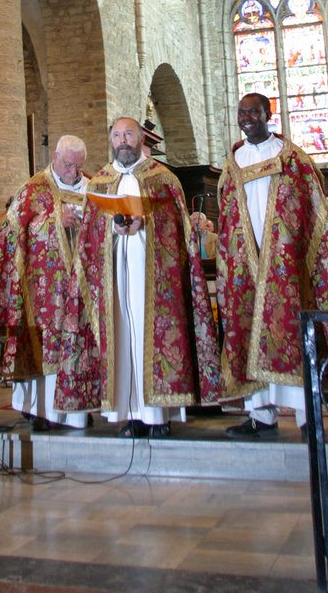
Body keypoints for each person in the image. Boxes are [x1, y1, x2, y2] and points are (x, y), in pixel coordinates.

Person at [55, 118, 220, 437]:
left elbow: (180, 232)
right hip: (115, 274)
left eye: (128, 134)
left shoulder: (163, 178)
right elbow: (90, 233)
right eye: (116, 135)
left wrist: (146, 225)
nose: (122, 141)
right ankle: (128, 414)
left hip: (155, 278)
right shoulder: (101, 180)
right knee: (122, 341)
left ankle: (159, 417)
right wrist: (112, 229)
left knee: (150, 340)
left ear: (140, 138)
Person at [217, 93, 328, 440]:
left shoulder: (293, 159)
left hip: (286, 265)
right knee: (248, 331)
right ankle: (259, 417)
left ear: (268, 114)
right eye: (241, 113)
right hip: (245, 264)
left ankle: (306, 417)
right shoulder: (233, 162)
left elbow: (313, 210)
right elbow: (226, 215)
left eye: (253, 111)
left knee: (290, 335)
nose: (246, 118)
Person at [0, 135, 91, 430]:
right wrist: (55, 222)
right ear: (54, 158)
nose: (74, 172)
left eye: (78, 166)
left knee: (78, 346)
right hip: (40, 292)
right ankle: (39, 410)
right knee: (39, 350)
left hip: (80, 287)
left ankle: (79, 407)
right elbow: (12, 233)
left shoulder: (90, 186)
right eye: (68, 165)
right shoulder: (32, 190)